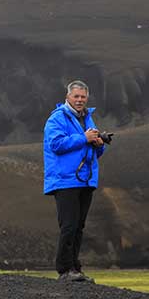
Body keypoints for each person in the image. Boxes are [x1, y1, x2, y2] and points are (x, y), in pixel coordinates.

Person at [43, 80, 106, 282]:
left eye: (83, 97)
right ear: (68, 97)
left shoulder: (87, 118)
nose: (80, 100)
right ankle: (64, 269)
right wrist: (84, 138)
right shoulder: (57, 118)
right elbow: (56, 144)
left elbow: (95, 151)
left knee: (79, 226)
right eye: (76, 96)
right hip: (65, 180)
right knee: (69, 225)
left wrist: (99, 143)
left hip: (84, 180)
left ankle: (75, 268)